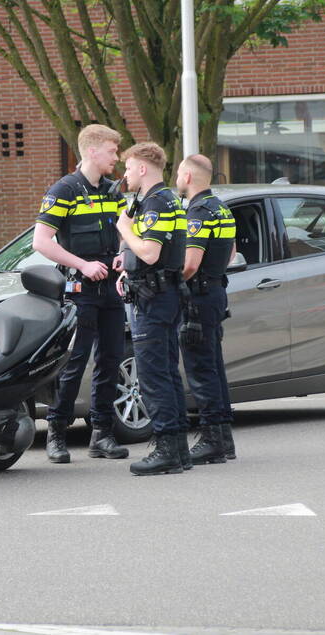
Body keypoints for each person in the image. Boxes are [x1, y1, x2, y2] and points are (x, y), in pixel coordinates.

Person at [33, 124, 130, 463]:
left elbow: (125, 230)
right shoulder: (64, 190)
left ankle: (101, 434)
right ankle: (56, 434)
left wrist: (123, 252)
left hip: (111, 288)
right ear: (91, 151)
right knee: (74, 362)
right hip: (80, 289)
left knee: (110, 359)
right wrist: (83, 265)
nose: (116, 158)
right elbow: (41, 242)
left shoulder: (111, 190)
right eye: (111, 151)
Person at [115, 142, 188, 476]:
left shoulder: (157, 203)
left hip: (155, 300)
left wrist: (125, 229)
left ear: (142, 168)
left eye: (128, 167)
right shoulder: (160, 200)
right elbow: (144, 256)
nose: (125, 174)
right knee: (167, 371)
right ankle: (178, 448)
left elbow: (150, 253)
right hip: (160, 292)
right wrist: (127, 269)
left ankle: (166, 449)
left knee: (154, 375)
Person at [175, 155, 237, 464]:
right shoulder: (222, 208)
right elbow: (232, 252)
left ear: (187, 176)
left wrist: (174, 285)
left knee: (201, 369)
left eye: (178, 173)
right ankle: (224, 439)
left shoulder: (197, 212)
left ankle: (212, 438)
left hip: (197, 298)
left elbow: (189, 264)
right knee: (214, 365)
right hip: (215, 291)